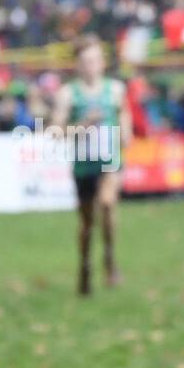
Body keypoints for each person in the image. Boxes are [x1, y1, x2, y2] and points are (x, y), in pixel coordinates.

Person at [51, 34, 131, 295]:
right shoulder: (68, 94)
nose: (91, 66)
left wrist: (125, 133)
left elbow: (124, 116)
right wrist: (82, 125)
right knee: (87, 223)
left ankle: (109, 259)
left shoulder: (115, 90)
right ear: (77, 65)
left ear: (103, 62)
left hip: (109, 160)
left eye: (96, 60)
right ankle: (85, 266)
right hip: (84, 164)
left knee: (107, 205)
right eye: (86, 61)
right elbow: (54, 131)